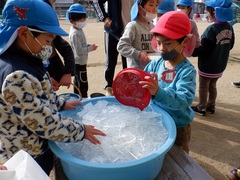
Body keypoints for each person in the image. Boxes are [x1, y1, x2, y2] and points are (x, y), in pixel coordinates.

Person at [0, 0, 106, 177]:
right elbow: (43, 123)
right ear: (24, 33)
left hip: (33, 145)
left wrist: (60, 103)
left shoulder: (29, 57)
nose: (50, 47)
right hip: (28, 154)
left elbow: (39, 97)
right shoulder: (16, 76)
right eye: (48, 40)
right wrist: (81, 130)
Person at [139, 11, 197, 153]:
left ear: (185, 41)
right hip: (157, 119)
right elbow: (142, 83)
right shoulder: (156, 64)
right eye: (158, 43)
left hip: (178, 123)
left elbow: (184, 100)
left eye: (168, 43)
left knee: (179, 152)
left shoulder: (186, 71)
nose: (162, 48)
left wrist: (158, 92)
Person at [191, 0, 235, 116]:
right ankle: (211, 106)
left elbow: (203, 50)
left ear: (215, 13)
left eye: (208, 11)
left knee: (203, 87)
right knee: (213, 86)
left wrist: (191, 51)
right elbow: (230, 45)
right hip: (220, 65)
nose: (206, 13)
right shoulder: (230, 27)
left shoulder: (211, 30)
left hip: (207, 66)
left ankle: (201, 107)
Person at [93, 0, 135, 96]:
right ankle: (109, 87)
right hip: (113, 30)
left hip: (131, 31)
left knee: (128, 62)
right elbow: (96, 1)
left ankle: (128, 87)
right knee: (111, 61)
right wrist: (104, 17)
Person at [117, 0, 160, 70]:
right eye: (151, 5)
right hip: (136, 72)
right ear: (140, 8)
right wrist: (138, 54)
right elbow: (121, 46)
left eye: (156, 5)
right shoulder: (133, 26)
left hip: (151, 71)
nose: (155, 9)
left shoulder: (153, 27)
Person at [66, 4, 98, 98]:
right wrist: (91, 48)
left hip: (79, 61)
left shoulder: (78, 29)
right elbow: (79, 50)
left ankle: (77, 96)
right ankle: (83, 97)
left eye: (83, 19)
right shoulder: (75, 33)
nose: (83, 21)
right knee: (82, 82)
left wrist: (88, 46)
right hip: (79, 62)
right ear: (72, 21)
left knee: (78, 80)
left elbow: (81, 45)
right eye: (81, 20)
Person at [44, 0, 75, 92]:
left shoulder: (51, 32)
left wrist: (67, 72)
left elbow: (66, 49)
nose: (48, 45)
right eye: (47, 40)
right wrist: (43, 80)